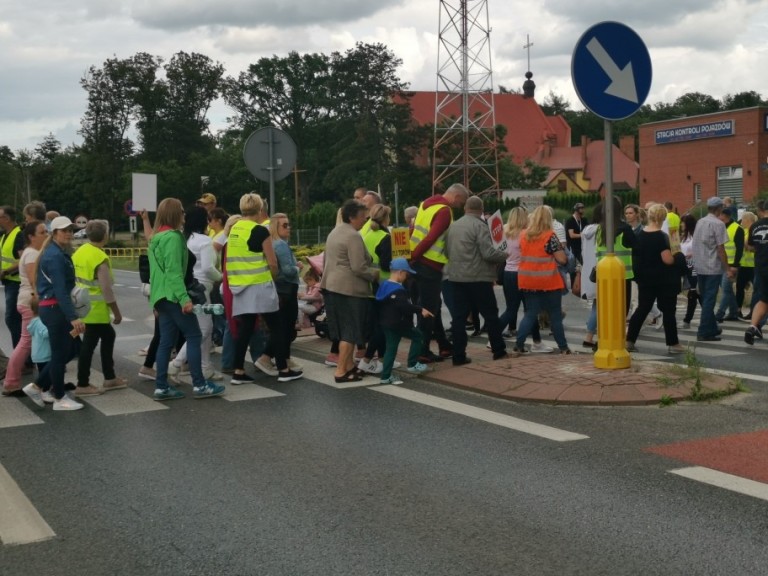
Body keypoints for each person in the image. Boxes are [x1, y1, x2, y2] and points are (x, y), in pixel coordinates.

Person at [148, 198, 226, 400]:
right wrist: (184, 299)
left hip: (160, 296)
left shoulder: (155, 238)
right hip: (175, 296)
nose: (184, 215)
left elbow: (155, 273)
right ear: (175, 214)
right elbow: (174, 272)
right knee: (194, 336)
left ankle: (161, 386)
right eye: (182, 211)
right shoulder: (174, 238)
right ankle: (200, 384)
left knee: (166, 342)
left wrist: (154, 301)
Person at [227, 193, 301, 383]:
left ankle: (238, 371)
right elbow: (273, 263)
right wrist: (272, 278)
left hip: (240, 286)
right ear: (260, 209)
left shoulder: (234, 229)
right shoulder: (260, 231)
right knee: (277, 327)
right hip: (260, 285)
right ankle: (284, 370)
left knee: (245, 329)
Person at [24, 216, 85, 411]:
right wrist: (73, 317)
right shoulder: (55, 256)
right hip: (55, 309)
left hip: (55, 308)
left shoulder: (56, 252)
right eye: (64, 230)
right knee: (60, 353)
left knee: (73, 349)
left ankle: (37, 386)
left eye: (71, 230)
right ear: (55, 232)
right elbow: (59, 289)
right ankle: (59, 398)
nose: (68, 233)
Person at [444, 195, 509, 364]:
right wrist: (505, 255)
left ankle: (458, 355)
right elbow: (488, 253)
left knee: (459, 318)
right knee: (491, 315)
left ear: (465, 208)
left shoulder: (453, 226)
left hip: (456, 277)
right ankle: (499, 350)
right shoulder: (480, 226)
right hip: (478, 277)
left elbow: (446, 251)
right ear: (481, 210)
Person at [321, 200, 379, 383]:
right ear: (352, 217)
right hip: (349, 289)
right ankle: (340, 371)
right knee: (351, 331)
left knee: (343, 330)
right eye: (363, 217)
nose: (365, 220)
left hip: (331, 286)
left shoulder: (335, 232)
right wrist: (375, 275)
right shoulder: (353, 236)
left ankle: (348, 366)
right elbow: (359, 267)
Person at [409, 183, 469, 362]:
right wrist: (415, 255)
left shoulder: (425, 204)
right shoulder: (444, 211)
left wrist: (409, 257)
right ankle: (421, 351)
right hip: (430, 265)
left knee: (432, 305)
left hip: (416, 264)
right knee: (428, 310)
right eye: (461, 202)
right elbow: (431, 237)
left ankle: (443, 345)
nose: (459, 206)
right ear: (457, 197)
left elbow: (413, 229)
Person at [167, 206, 223, 381]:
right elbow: (207, 268)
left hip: (186, 287)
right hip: (201, 289)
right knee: (204, 329)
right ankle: (176, 364)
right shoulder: (204, 241)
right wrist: (221, 277)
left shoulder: (184, 238)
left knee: (205, 327)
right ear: (204, 221)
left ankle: (205, 367)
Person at [72, 219, 126, 395]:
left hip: (81, 304)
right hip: (96, 309)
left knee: (108, 336)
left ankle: (109, 378)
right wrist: (116, 312)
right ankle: (83, 384)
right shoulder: (99, 257)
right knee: (89, 346)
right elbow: (106, 289)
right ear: (105, 236)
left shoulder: (80, 251)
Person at [625, 204, 685, 354]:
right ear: (663, 218)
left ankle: (629, 341)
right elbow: (667, 260)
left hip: (645, 279)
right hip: (664, 279)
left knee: (642, 309)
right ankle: (673, 343)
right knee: (668, 311)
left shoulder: (639, 235)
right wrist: (678, 255)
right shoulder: (662, 237)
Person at [516, 206, 571, 354]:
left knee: (530, 314)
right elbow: (562, 259)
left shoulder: (523, 235)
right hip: (548, 281)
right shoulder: (550, 236)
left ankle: (519, 345)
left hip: (527, 280)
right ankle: (563, 348)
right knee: (555, 315)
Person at [581, 197, 636, 348]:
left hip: (603, 275)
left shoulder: (600, 229)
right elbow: (637, 247)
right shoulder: (625, 229)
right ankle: (616, 341)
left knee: (605, 310)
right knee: (621, 311)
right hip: (623, 276)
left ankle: (603, 340)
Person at [2, 220, 47, 395]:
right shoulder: (32, 255)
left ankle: (45, 381)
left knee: (29, 343)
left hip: (27, 300)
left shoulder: (32, 252)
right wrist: (39, 301)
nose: (46, 235)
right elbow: (34, 281)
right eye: (42, 232)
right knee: (25, 343)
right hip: (31, 302)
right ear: (31, 236)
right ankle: (11, 382)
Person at [256, 213, 303, 378]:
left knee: (283, 327)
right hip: (287, 289)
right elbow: (288, 271)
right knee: (285, 327)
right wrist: (298, 267)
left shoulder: (273, 243)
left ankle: (282, 359)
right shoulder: (281, 245)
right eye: (284, 225)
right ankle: (268, 358)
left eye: (289, 224)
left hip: (279, 288)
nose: (289, 228)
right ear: (275, 227)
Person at [375, 258, 432, 384]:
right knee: (418, 336)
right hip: (400, 323)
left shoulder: (384, 285)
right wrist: (420, 310)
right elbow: (405, 307)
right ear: (400, 272)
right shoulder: (399, 290)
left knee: (390, 349)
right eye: (406, 274)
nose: (406, 277)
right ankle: (412, 364)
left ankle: (385, 376)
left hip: (386, 323)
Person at [358, 204, 393, 374]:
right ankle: (368, 359)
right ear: (386, 218)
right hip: (384, 285)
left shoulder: (367, 235)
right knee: (383, 325)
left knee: (377, 324)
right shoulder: (385, 237)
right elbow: (386, 264)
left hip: (369, 284)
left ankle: (381, 359)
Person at [692, 197, 729, 342]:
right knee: (709, 300)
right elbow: (720, 249)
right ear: (719, 208)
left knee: (705, 297)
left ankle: (712, 326)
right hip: (713, 267)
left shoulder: (700, 222)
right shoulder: (719, 224)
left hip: (700, 265)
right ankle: (704, 331)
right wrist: (727, 268)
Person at [715, 205, 744, 322]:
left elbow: (740, 249)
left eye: (719, 215)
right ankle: (733, 312)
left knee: (726, 289)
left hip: (731, 265)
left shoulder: (737, 229)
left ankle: (719, 314)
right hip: (722, 264)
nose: (718, 217)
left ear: (724, 216)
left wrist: (735, 266)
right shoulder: (721, 228)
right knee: (727, 289)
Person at [0, 206, 24, 350]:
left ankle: (21, 353)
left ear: (7, 218)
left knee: (12, 318)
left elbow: (23, 259)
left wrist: (6, 271)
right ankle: (22, 353)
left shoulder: (18, 234)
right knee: (14, 319)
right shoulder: (4, 235)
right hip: (9, 282)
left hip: (17, 283)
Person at [744, 202, 768, 345]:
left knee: (764, 299)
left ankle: (752, 327)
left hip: (761, 267)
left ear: (761, 211)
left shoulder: (755, 226)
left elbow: (749, 246)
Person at [680, 214, 701, 330]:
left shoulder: (696, 236)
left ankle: (687, 320)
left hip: (695, 267)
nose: (681, 225)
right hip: (686, 267)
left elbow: (701, 249)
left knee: (694, 293)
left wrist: (692, 254)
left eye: (683, 222)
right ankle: (710, 318)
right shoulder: (684, 237)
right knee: (695, 294)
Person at [736, 211, 756, 320]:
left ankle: (753, 312)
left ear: (748, 220)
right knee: (739, 288)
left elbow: (748, 246)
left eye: (743, 219)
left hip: (753, 265)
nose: (741, 222)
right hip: (743, 264)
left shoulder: (753, 230)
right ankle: (738, 310)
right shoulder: (743, 231)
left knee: (756, 290)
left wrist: (741, 241)